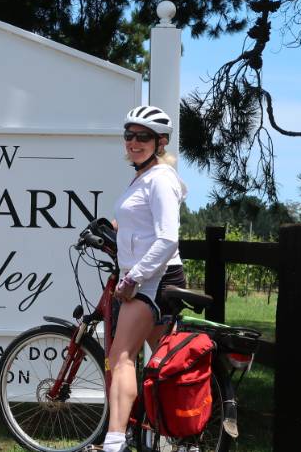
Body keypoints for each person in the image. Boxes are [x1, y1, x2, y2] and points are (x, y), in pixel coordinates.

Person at [92, 105, 188, 452]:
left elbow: (167, 238)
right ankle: (177, 437)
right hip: (152, 276)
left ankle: (115, 441)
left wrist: (135, 278)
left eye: (143, 137)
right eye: (129, 135)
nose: (133, 142)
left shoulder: (160, 179)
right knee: (165, 365)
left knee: (121, 357)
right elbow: (143, 225)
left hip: (153, 280)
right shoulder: (145, 176)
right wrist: (116, 230)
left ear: (160, 142)